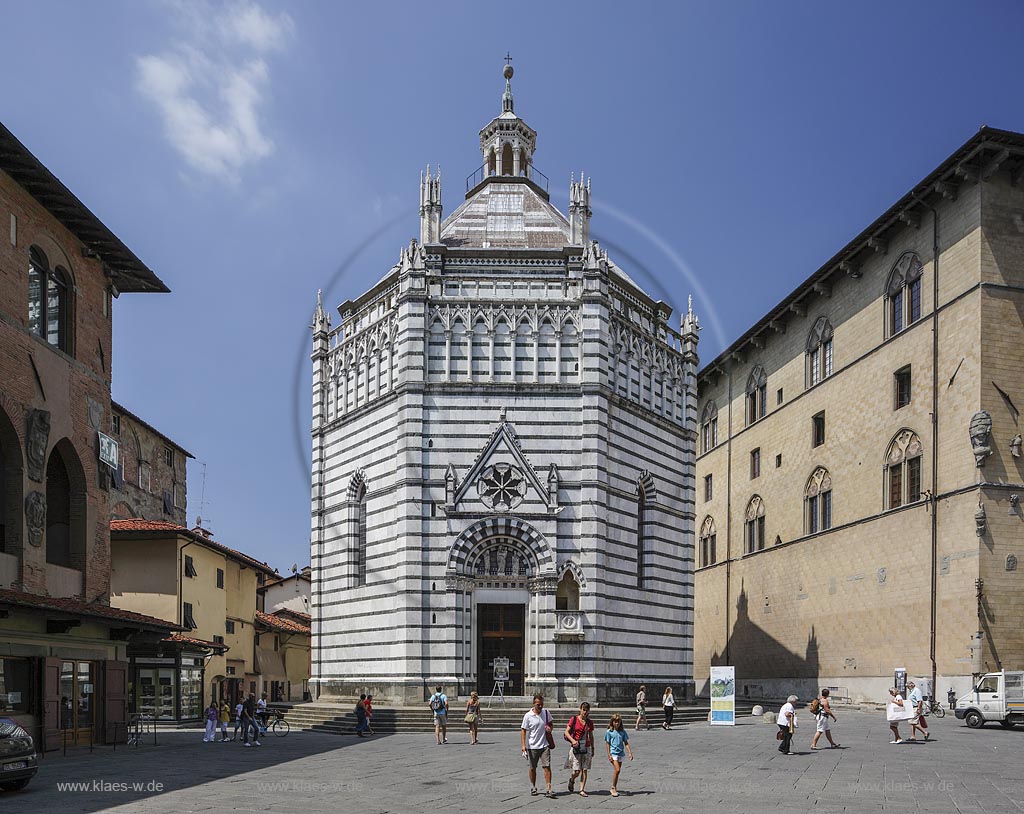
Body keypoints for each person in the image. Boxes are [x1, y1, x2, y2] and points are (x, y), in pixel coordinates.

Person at [520, 694, 555, 798]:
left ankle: (548, 789)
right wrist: (523, 745)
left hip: (545, 745)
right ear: (534, 704)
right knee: (532, 768)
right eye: (538, 705)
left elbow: (551, 723)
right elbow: (523, 730)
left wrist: (550, 728)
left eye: (542, 704)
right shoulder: (528, 716)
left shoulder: (546, 712)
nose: (540, 706)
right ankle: (533, 786)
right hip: (532, 746)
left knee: (547, 767)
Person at [564, 701, 595, 797]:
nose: (585, 712)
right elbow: (566, 732)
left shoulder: (589, 722)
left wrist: (593, 748)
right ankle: (572, 780)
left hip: (586, 747)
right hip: (576, 746)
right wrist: (573, 741)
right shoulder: (574, 719)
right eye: (583, 710)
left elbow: (591, 735)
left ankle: (582, 789)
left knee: (584, 769)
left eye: (587, 710)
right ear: (580, 709)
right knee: (576, 771)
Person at [604, 713, 633, 797]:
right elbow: (607, 743)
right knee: (617, 770)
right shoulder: (609, 732)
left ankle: (614, 787)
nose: (616, 723)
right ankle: (613, 787)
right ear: (612, 722)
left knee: (617, 771)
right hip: (613, 753)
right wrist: (609, 754)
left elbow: (626, 743)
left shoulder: (622, 732)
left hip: (620, 753)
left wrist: (630, 753)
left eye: (618, 722)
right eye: (615, 722)